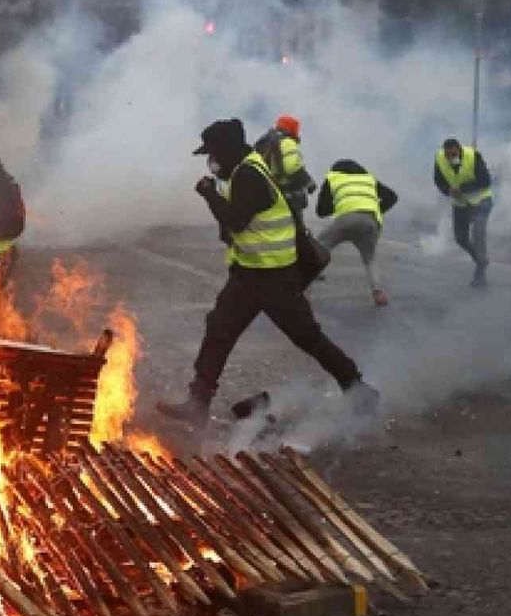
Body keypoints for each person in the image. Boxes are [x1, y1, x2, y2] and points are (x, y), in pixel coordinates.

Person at [157, 120, 378, 425]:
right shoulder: (245, 167)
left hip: (275, 278)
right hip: (249, 275)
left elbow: (236, 220)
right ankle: (198, 402)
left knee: (308, 337)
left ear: (228, 150)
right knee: (219, 330)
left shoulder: (248, 174)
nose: (211, 161)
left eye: (214, 154)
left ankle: (357, 388)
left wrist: (208, 193)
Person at [316, 160, 398, 307]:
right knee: (369, 258)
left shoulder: (333, 178)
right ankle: (378, 293)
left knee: (318, 247)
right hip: (369, 222)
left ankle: (303, 285)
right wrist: (375, 208)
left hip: (345, 221)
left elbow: (321, 210)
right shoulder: (368, 178)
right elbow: (392, 197)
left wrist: (340, 202)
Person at [434, 138, 493, 287]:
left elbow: (485, 180)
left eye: (453, 155)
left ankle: (480, 273)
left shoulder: (473, 156)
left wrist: (462, 188)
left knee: (478, 234)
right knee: (460, 239)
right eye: (448, 155)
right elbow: (438, 180)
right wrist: (447, 190)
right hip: (460, 203)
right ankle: (480, 260)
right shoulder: (440, 158)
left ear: (459, 150)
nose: (450, 158)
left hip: (480, 201)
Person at [255, 114, 316, 215]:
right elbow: (292, 167)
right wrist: (309, 182)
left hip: (269, 191)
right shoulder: (287, 142)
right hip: (287, 192)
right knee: (296, 226)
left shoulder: (265, 141)